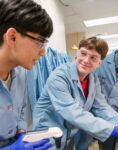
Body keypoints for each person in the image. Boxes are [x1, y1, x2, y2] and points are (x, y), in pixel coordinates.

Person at [33, 37, 118, 150]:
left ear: (100, 63)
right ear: (77, 54)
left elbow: (101, 106)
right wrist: (112, 129)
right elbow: (73, 112)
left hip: (68, 132)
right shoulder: (59, 77)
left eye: (93, 58)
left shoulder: (93, 79)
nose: (86, 60)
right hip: (48, 132)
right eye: (83, 53)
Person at [0, 0, 53, 149]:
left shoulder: (22, 72)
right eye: (40, 42)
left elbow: (21, 110)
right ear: (12, 37)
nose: (43, 52)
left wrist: (21, 131)